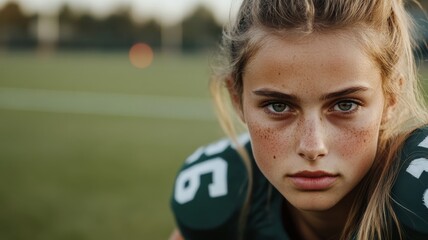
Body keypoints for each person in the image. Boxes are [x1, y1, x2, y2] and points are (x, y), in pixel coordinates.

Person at [170, 0, 428, 239]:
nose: (313, 147)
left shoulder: (420, 199)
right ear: (238, 100)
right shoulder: (219, 198)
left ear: (390, 100)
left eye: (345, 105)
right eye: (278, 106)